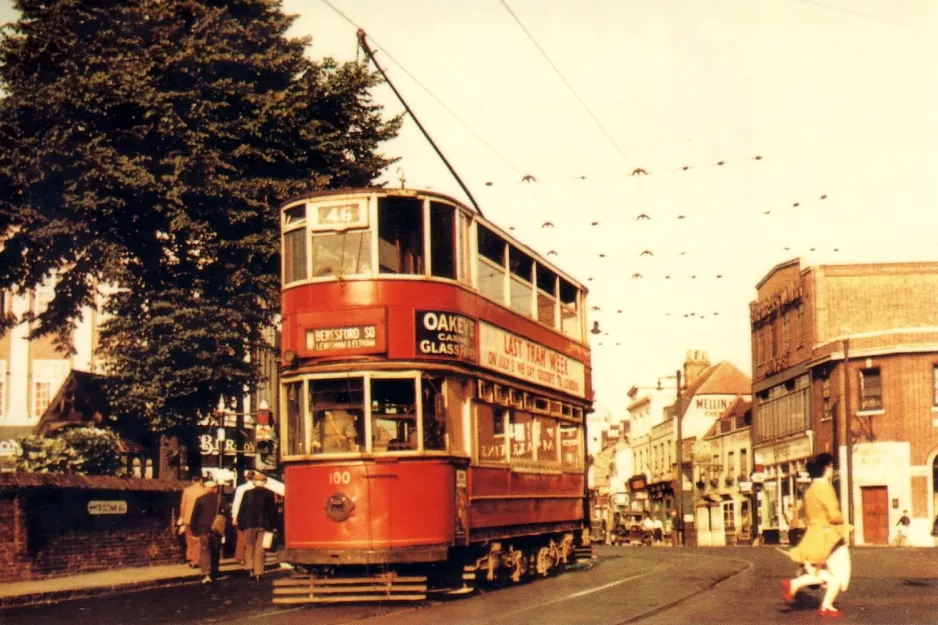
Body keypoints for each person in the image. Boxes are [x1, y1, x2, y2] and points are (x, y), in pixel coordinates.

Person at [780, 453, 852, 619]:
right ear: (826, 468)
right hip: (830, 535)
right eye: (831, 467)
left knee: (828, 573)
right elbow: (834, 515)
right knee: (842, 576)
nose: (832, 470)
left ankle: (824, 604)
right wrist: (842, 518)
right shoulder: (825, 487)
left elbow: (805, 515)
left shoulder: (810, 490)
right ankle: (796, 585)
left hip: (815, 535)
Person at [237, 472, 277, 580]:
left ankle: (250, 569)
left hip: (248, 524)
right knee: (260, 549)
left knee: (249, 547)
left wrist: (240, 524)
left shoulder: (247, 493)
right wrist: (273, 525)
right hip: (263, 525)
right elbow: (272, 511)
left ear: (254, 482)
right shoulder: (269, 494)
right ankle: (258, 573)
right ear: (264, 482)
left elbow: (242, 509)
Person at [191, 479, 229, 584]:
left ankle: (206, 574)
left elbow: (194, 516)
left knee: (204, 551)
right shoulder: (219, 499)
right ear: (214, 488)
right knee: (215, 551)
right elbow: (227, 511)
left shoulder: (200, 499)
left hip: (203, 529)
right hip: (216, 529)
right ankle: (214, 571)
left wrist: (194, 530)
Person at [177, 476, 206, 568]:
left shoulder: (187, 491)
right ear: (201, 480)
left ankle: (192, 559)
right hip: (200, 519)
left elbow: (182, 505)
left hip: (188, 518)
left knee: (190, 540)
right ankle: (197, 560)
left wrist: (181, 517)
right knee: (199, 540)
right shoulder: (204, 491)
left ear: (192, 481)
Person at [231, 470, 256, 564]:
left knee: (241, 537)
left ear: (246, 478)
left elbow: (236, 503)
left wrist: (234, 516)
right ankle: (251, 557)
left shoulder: (241, 488)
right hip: (254, 516)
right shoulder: (256, 488)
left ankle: (241, 557)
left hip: (242, 515)